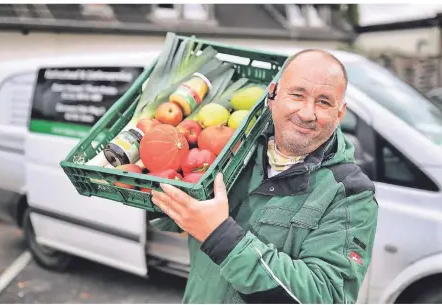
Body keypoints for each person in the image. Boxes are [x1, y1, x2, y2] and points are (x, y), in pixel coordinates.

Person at [150, 49, 379, 304]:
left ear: (340, 113)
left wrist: (221, 236)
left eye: (324, 102)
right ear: (273, 95)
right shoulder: (231, 151)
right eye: (297, 95)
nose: (307, 113)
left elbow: (325, 295)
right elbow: (175, 219)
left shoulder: (350, 195)